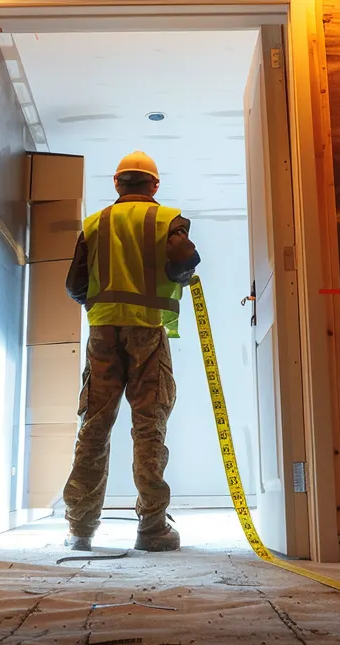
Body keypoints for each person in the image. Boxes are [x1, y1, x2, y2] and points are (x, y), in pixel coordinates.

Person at [61, 150, 201, 553]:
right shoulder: (166, 218)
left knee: (95, 425)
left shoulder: (94, 224)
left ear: (117, 183)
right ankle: (152, 526)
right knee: (148, 426)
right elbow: (183, 260)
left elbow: (75, 286)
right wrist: (185, 274)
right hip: (147, 334)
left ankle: (80, 528)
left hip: (103, 333)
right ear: (154, 185)